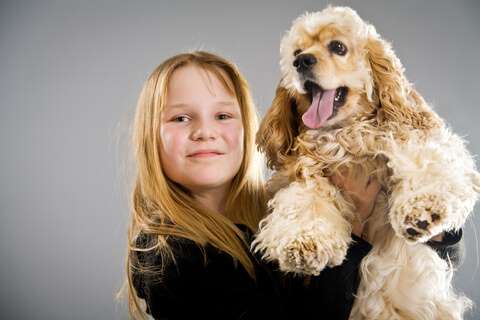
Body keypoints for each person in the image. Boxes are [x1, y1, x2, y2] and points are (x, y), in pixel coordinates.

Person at [121, 51, 463, 319]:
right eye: (181, 118)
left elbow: (427, 265)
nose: (205, 131)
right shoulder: (164, 256)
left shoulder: (278, 205)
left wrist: (431, 228)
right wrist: (355, 223)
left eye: (223, 116)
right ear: (152, 135)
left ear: (246, 127)